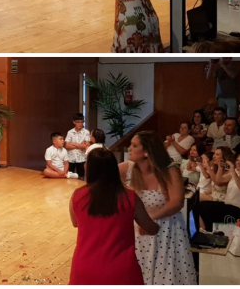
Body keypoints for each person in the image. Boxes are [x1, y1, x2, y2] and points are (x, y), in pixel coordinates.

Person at [70, 147, 159, 286]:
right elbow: (152, 229)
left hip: (85, 266)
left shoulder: (77, 195)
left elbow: (76, 223)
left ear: (88, 167)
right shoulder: (130, 197)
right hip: (121, 270)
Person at [119, 132, 197, 284]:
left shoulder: (169, 170)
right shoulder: (128, 169)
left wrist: (149, 219)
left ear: (147, 151)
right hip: (140, 232)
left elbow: (177, 202)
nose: (129, 148)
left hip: (167, 231)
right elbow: (102, 175)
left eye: (134, 146)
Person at [198, 153, 240, 228]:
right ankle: (205, 229)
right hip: (229, 205)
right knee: (202, 205)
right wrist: (220, 168)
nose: (238, 163)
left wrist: (233, 172)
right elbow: (219, 181)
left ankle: (208, 230)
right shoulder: (236, 173)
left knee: (208, 209)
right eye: (237, 160)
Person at [65, 113, 91, 180]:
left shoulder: (86, 132)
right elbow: (67, 146)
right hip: (71, 157)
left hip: (81, 158)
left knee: (81, 176)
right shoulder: (70, 132)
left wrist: (73, 143)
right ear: (74, 122)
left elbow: (86, 146)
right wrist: (81, 145)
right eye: (78, 122)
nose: (80, 124)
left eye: (82, 122)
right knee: (70, 175)